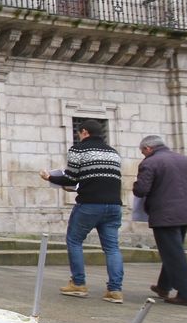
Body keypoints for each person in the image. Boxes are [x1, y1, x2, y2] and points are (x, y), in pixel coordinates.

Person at [40, 120, 125, 303]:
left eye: (79, 133)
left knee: (74, 240)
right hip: (114, 205)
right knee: (112, 248)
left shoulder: (78, 150)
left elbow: (71, 178)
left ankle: (78, 284)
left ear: (84, 132)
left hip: (90, 204)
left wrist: (50, 177)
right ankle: (115, 290)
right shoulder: (113, 152)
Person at [133, 134, 187, 307]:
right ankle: (163, 286)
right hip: (186, 213)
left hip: (164, 214)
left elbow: (141, 190)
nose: (143, 154)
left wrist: (135, 186)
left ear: (148, 148)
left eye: (143, 151)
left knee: (174, 254)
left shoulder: (150, 162)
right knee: (173, 250)